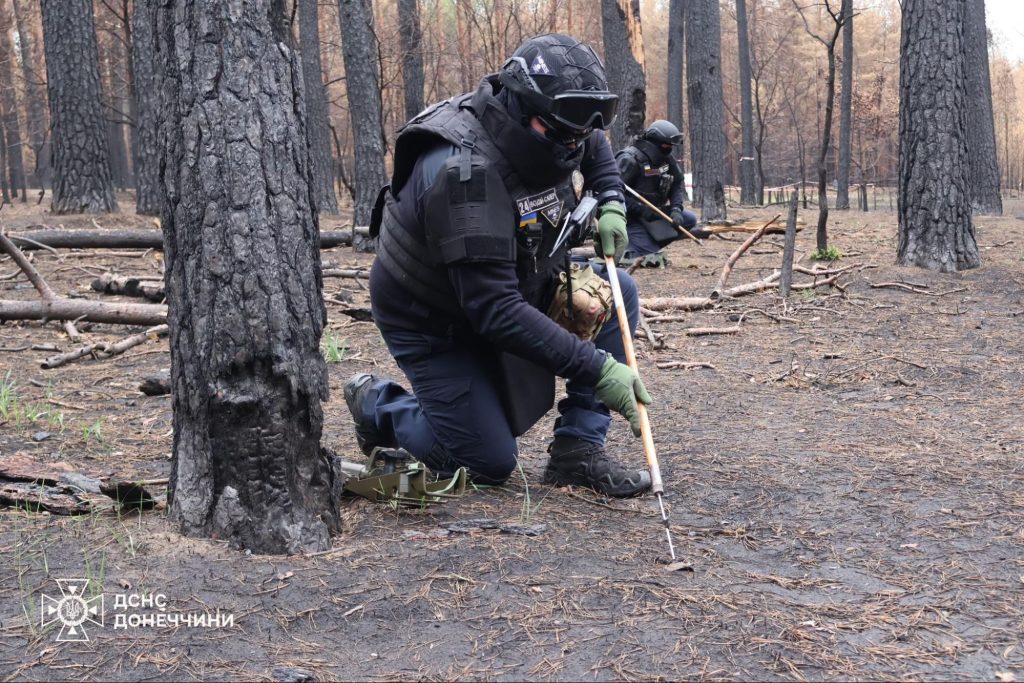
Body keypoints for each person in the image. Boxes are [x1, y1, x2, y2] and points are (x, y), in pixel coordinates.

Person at [344, 33, 653, 498]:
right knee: (486, 462)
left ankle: (577, 450)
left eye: (581, 131)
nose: (574, 143)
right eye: (564, 132)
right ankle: (378, 405)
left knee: (617, 293)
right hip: (434, 319)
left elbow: (591, 143)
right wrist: (599, 369)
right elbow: (496, 311)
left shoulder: (554, 124)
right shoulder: (464, 175)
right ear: (522, 106)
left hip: (508, 281)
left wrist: (610, 197)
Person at [616, 120, 705, 268]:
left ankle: (643, 245)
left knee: (687, 219)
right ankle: (633, 248)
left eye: (671, 146)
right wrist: (641, 209)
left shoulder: (665, 160)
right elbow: (613, 193)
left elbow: (676, 184)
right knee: (652, 260)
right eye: (666, 146)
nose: (669, 149)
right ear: (655, 142)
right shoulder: (629, 159)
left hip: (652, 214)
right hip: (629, 219)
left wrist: (676, 208)